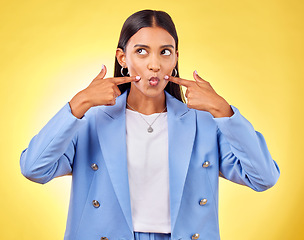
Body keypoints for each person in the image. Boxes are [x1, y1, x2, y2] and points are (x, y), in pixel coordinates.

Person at [20, 9, 280, 240]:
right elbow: (34, 168)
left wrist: (224, 111)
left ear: (175, 59)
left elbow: (263, 177)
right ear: (123, 58)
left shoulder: (204, 122)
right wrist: (80, 102)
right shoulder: (90, 119)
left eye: (164, 52)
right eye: (141, 51)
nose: (154, 65)